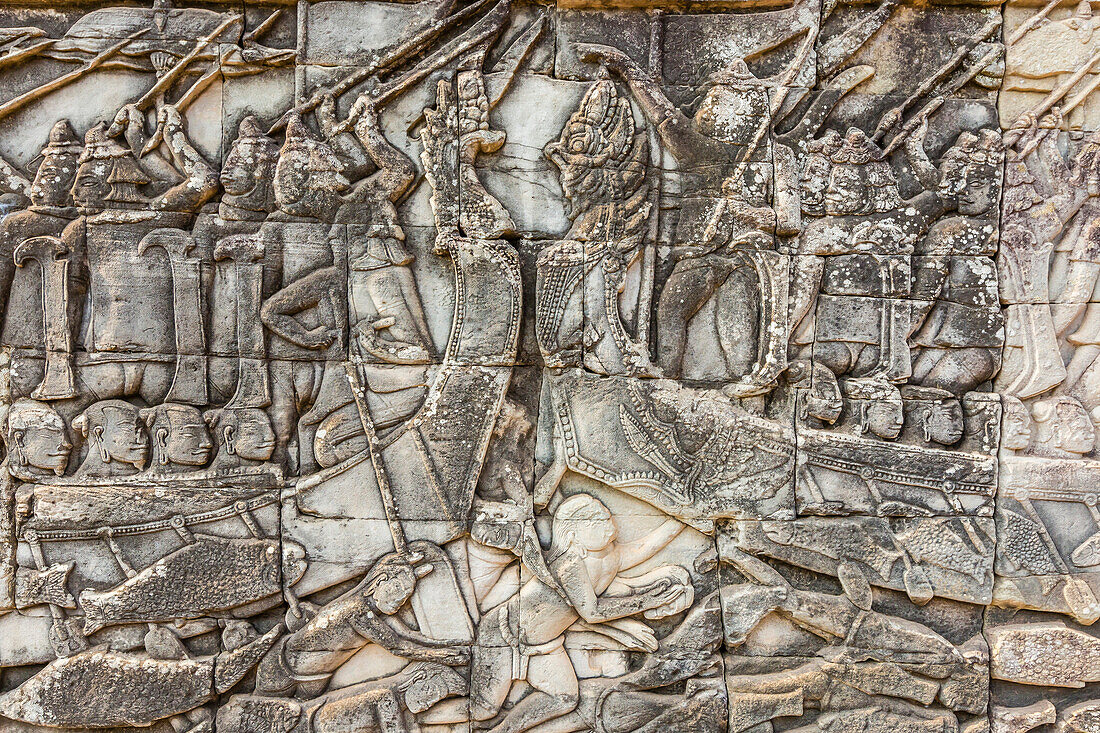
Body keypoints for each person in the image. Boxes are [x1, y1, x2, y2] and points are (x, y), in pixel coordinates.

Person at [470, 493, 692, 733]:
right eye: (598, 523)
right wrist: (647, 601)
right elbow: (593, 613)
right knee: (483, 711)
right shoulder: (569, 564)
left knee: (564, 698)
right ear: (574, 535)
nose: (610, 527)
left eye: (608, 519)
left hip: (544, 644)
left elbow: (646, 547)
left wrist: (683, 520)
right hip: (502, 634)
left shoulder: (609, 557)